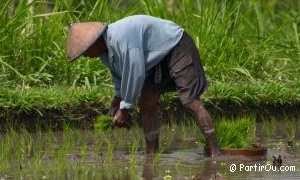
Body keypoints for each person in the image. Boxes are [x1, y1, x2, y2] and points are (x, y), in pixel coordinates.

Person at [67, 15, 221, 157]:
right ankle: (151, 154)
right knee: (146, 104)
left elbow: (135, 73)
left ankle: (215, 152)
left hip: (176, 45)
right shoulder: (105, 53)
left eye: (85, 52)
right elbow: (120, 78)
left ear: (95, 42)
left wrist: (125, 108)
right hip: (154, 60)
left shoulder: (120, 39)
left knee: (189, 101)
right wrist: (115, 105)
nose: (87, 57)